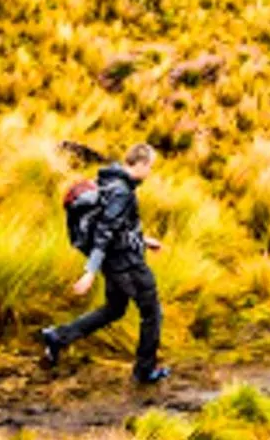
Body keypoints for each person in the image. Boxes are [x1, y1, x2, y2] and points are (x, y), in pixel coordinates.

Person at [39, 144, 170, 384]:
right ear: (139, 164)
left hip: (115, 261)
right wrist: (90, 271)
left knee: (115, 309)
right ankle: (145, 371)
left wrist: (143, 240)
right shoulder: (122, 191)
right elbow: (105, 231)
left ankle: (58, 337)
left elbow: (118, 226)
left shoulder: (110, 182)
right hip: (126, 264)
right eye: (150, 166)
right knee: (152, 312)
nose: (150, 172)